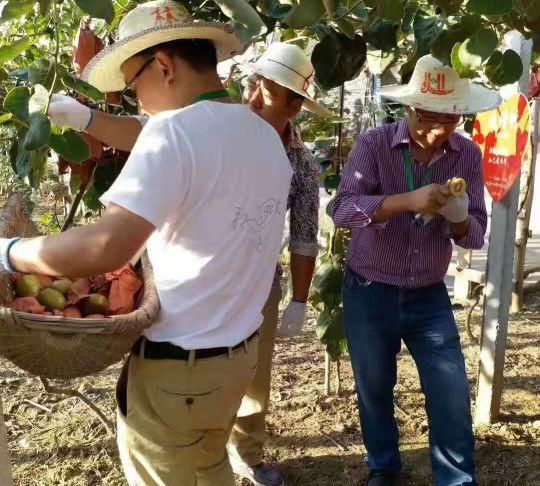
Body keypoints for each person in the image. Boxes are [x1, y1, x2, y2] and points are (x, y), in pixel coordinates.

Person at [0, 1, 293, 485]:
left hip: (178, 373)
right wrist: (87, 120)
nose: (133, 97)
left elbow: (105, 248)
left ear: (163, 66)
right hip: (236, 359)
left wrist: (9, 251)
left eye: (133, 82)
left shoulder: (177, 135)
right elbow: (159, 133)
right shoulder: (259, 133)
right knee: (209, 463)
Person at [49, 41, 331, 486]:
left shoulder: (294, 159)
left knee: (241, 393)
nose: (268, 97)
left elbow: (304, 237)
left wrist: (299, 298)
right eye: (264, 85)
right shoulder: (221, 129)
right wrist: (88, 120)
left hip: (223, 318)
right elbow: (149, 129)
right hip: (219, 331)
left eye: (287, 95)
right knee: (211, 439)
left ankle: (250, 452)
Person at [331, 55, 501, 486]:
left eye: (450, 120)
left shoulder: (467, 155)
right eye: (428, 117)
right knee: (374, 388)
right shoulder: (373, 145)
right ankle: (383, 467)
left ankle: (457, 477)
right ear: (409, 108)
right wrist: (405, 201)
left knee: (449, 390)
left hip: (429, 293)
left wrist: (460, 216)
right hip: (370, 288)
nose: (438, 130)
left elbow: (474, 235)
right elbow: (342, 208)